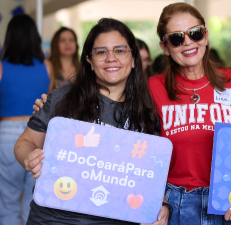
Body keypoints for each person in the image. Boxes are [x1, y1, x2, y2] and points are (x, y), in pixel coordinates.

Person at [14, 18, 167, 225]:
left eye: (120, 51)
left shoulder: (147, 112)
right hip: (53, 218)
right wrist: (30, 157)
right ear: (89, 60)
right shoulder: (63, 98)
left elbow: (151, 177)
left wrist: (163, 206)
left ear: (133, 59)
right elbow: (25, 142)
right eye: (101, 52)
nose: (111, 58)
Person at [148, 2, 231, 224]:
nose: (188, 42)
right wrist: (158, 201)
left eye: (195, 33)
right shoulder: (153, 87)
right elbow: (145, 152)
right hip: (174, 205)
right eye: (177, 38)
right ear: (165, 46)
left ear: (206, 36)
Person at [0, 14, 53, 225]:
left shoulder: (1, 67)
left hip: (6, 134)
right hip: (38, 133)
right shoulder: (47, 66)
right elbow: (46, 105)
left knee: (7, 199)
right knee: (32, 197)